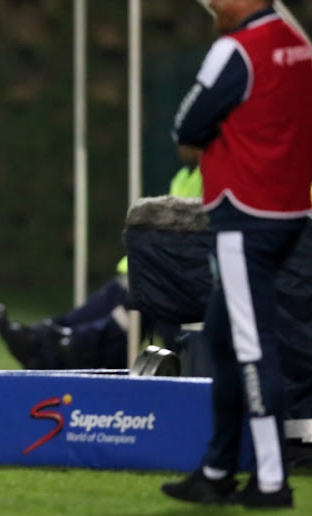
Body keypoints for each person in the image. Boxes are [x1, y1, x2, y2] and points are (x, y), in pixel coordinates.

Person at [161, 0, 312, 508]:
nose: (213, 8)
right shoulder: (298, 43)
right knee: (225, 342)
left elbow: (186, 125)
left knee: (250, 347)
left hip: (243, 214)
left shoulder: (236, 49)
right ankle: (218, 468)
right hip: (289, 210)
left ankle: (271, 480)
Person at [0, 165, 202, 370]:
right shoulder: (185, 176)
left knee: (132, 308)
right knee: (110, 300)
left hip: (174, 284)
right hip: (154, 275)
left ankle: (54, 346)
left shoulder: (210, 174)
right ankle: (42, 339)